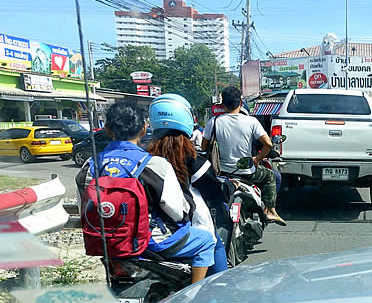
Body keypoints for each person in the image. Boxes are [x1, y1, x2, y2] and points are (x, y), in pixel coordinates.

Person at [76, 102, 221, 284]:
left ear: (107, 130)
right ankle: (195, 293)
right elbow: (177, 213)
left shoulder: (90, 166)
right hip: (152, 242)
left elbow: (84, 208)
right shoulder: (154, 165)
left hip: (107, 244)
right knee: (206, 240)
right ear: (144, 129)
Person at [147, 94, 228, 276]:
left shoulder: (145, 156)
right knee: (214, 245)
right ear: (186, 119)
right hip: (182, 229)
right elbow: (214, 191)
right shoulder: (191, 159)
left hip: (148, 232)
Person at [202, 86, 286, 226]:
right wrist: (257, 159)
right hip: (247, 172)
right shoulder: (251, 121)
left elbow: (204, 147)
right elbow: (268, 145)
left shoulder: (214, 122)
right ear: (240, 103)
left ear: (223, 105)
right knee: (272, 176)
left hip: (222, 172)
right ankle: (270, 210)